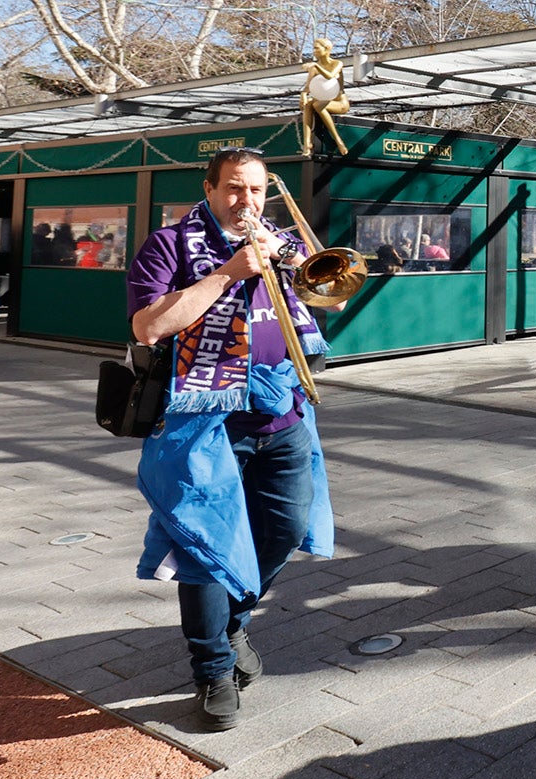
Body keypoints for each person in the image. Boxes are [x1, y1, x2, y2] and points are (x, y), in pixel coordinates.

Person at [126, 146, 341, 731]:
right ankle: (213, 669)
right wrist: (228, 273)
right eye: (234, 189)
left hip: (282, 415)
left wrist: (302, 271)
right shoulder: (169, 245)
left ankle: (231, 622)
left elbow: (326, 297)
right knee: (202, 546)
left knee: (286, 529)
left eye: (256, 189)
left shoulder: (280, 241)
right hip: (205, 424)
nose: (246, 201)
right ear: (210, 187)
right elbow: (148, 327)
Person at [300, 37, 350, 156]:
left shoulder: (337, 63)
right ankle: (307, 144)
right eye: (313, 48)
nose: (314, 51)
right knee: (309, 104)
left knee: (317, 105)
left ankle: (338, 140)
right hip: (323, 101)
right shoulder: (314, 67)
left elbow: (330, 76)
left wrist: (315, 67)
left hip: (340, 103)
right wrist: (303, 95)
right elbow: (308, 87)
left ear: (326, 49)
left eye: (317, 48)